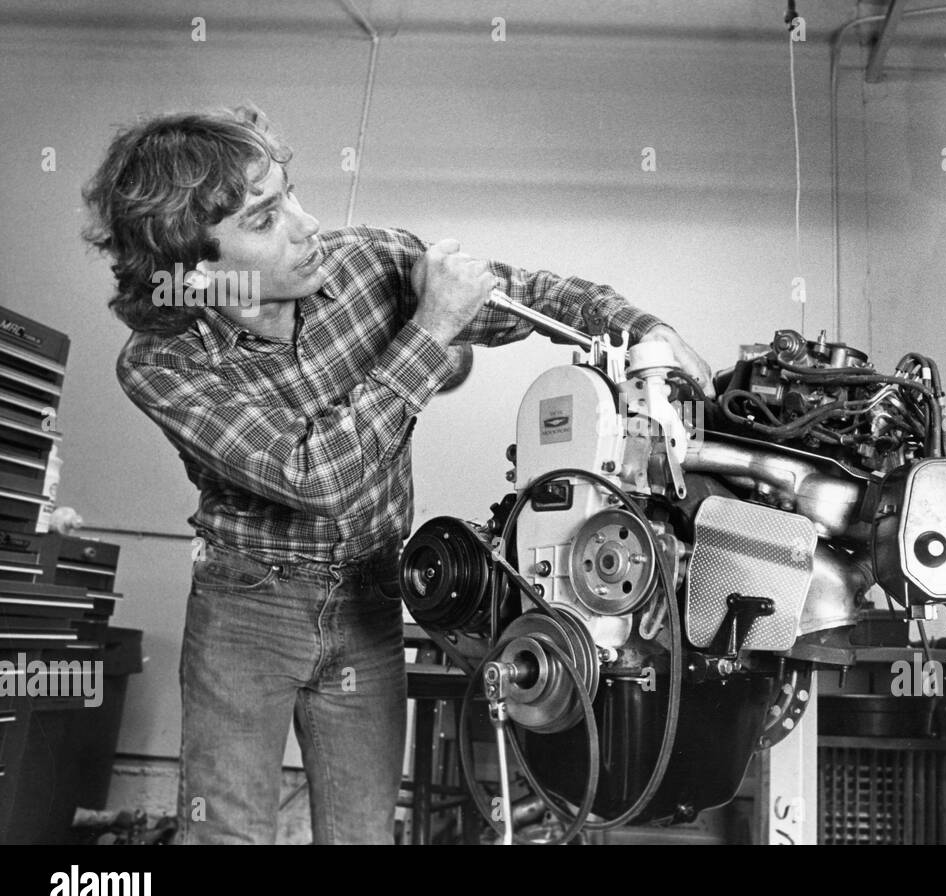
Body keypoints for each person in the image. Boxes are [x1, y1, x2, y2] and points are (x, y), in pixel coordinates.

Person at [82, 105, 711, 844]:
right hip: (246, 609)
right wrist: (430, 330)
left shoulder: (367, 262)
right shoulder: (163, 361)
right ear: (196, 271)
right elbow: (316, 475)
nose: (305, 223)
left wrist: (643, 331)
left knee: (362, 836)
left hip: (369, 599)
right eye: (263, 218)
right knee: (225, 835)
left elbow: (525, 293)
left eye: (288, 192)